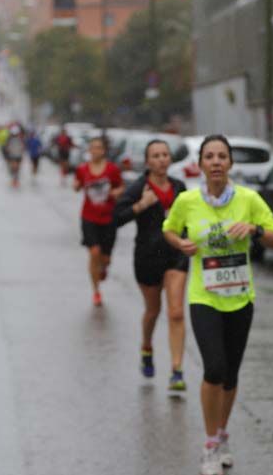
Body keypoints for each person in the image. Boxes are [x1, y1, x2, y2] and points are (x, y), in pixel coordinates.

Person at [162, 135, 273, 475]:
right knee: (213, 368)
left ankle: (222, 433)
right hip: (204, 296)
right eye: (209, 156)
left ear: (230, 164)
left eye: (222, 156)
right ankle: (210, 443)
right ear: (200, 164)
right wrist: (181, 243)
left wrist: (255, 229)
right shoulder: (187, 200)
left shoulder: (248, 199)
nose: (216, 162)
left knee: (230, 375)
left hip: (240, 298)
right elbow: (169, 230)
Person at [114, 139, 189, 391]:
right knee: (153, 311)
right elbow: (116, 218)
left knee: (176, 311)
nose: (161, 159)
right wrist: (141, 205)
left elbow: (191, 218)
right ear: (147, 161)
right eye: (155, 155)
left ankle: (177, 370)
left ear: (170, 159)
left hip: (175, 254)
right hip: (147, 256)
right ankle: (147, 346)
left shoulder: (179, 187)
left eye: (165, 155)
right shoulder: (138, 187)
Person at [74, 136, 125, 306]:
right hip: (89, 217)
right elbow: (77, 184)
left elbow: (121, 186)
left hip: (109, 217)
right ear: (89, 150)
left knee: (105, 259)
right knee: (94, 252)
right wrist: (76, 185)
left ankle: (103, 267)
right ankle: (96, 291)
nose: (95, 151)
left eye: (98, 147)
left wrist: (116, 193)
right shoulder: (82, 169)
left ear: (104, 150)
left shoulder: (112, 169)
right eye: (92, 147)